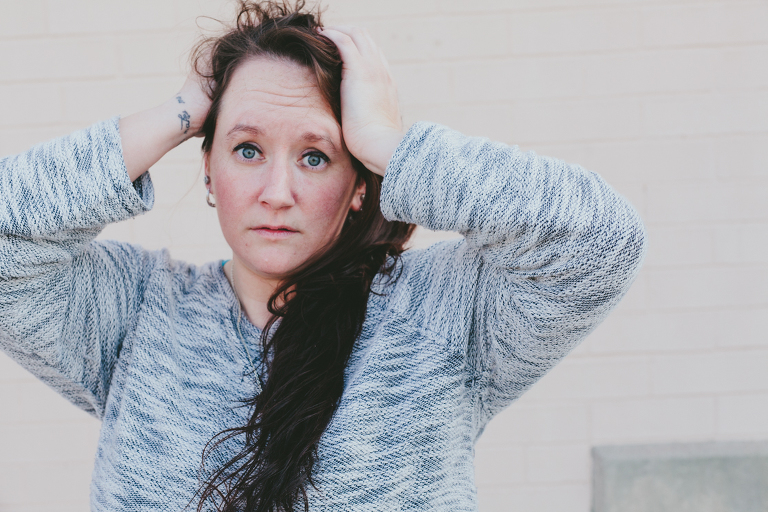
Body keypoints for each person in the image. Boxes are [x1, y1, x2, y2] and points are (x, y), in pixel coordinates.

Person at [0, 1, 646, 511]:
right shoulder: (134, 311)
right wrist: (185, 108)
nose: (276, 193)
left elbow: (596, 237)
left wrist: (390, 143)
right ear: (206, 168)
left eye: (316, 156)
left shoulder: (441, 311)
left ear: (359, 180)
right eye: (246, 149)